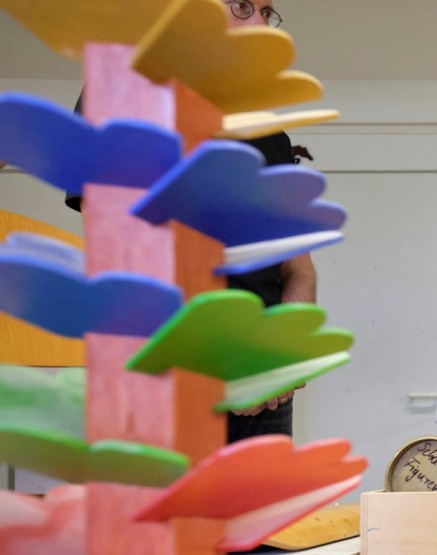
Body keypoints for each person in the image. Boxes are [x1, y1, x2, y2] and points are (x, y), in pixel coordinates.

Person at [64, 0, 310, 443]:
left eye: (266, 11)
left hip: (264, 395)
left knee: (269, 515)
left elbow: (298, 267)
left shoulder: (270, 133)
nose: (259, 22)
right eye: (241, 5)